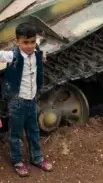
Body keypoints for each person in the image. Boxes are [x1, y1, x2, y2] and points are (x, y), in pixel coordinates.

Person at [0, 22, 53, 177]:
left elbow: (40, 56)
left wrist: (42, 56)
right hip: (17, 101)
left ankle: (37, 158)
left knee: (34, 131)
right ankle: (17, 160)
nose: (29, 46)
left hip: (31, 100)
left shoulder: (37, 53)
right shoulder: (13, 55)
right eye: (25, 42)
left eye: (32, 42)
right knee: (15, 133)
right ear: (17, 41)